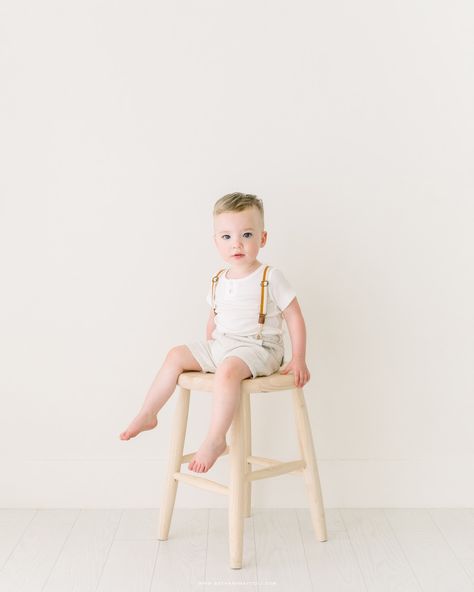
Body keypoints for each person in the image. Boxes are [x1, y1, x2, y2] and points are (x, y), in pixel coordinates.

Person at [120, 192, 310, 474]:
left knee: (229, 370)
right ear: (216, 241)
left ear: (263, 239)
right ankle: (148, 413)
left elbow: (294, 317)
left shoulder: (270, 276)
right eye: (226, 237)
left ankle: (215, 438)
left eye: (246, 234)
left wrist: (299, 358)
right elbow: (214, 318)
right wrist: (206, 352)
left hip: (260, 348)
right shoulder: (218, 279)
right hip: (223, 345)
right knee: (176, 355)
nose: (237, 244)